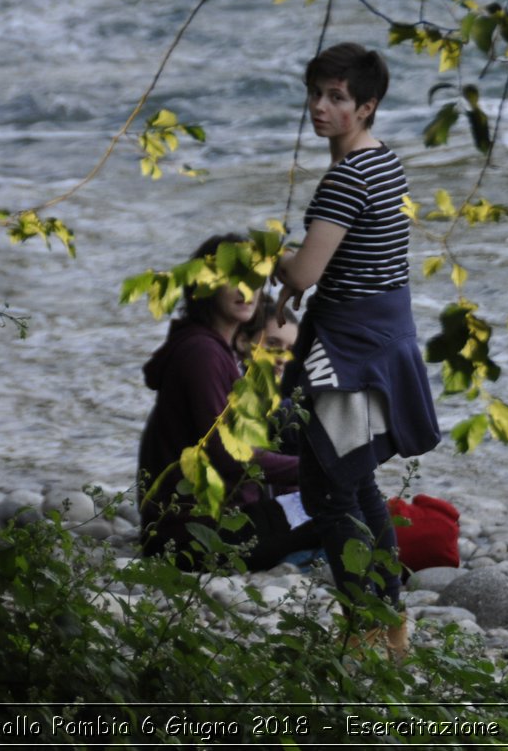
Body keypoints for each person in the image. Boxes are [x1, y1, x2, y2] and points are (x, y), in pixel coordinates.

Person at [274, 43, 440, 657]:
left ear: (366, 106)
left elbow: (303, 273)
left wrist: (268, 257)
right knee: (356, 480)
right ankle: (387, 625)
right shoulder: (384, 162)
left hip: (348, 350)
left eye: (336, 98)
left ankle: (367, 629)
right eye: (316, 92)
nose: (319, 106)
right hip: (378, 337)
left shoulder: (347, 178)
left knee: (332, 491)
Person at [137, 234, 319, 572]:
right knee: (341, 512)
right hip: (188, 536)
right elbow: (225, 454)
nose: (245, 289)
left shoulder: (212, 347)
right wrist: (314, 469)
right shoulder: (203, 354)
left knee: (333, 502)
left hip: (200, 523)